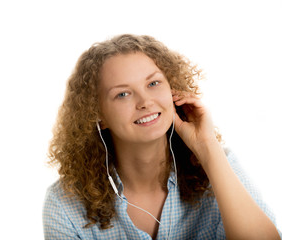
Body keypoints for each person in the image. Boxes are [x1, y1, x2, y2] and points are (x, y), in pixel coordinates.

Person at [43, 34, 281, 239]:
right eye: (123, 94)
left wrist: (207, 147)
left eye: (154, 83)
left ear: (172, 90)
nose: (146, 102)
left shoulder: (220, 164)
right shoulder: (64, 205)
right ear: (97, 115)